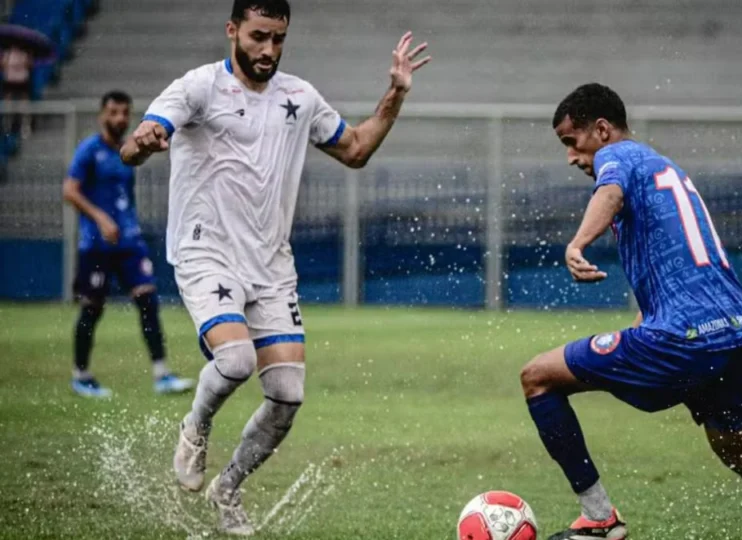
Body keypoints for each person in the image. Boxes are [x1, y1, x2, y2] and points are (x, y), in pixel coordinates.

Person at [120, 0, 430, 535]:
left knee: (287, 395)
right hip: (205, 252)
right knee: (236, 360)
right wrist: (144, 143)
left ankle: (229, 489)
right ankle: (195, 429)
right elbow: (136, 142)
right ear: (233, 30)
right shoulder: (197, 87)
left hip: (269, 265)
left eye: (278, 39)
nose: (268, 50)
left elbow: (355, 149)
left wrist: (396, 93)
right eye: (258, 36)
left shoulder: (299, 97)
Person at [519, 83, 742, 540]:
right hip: (736, 335)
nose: (571, 158)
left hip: (684, 340)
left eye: (571, 142)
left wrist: (577, 243)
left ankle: (599, 519)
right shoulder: (663, 168)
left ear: (601, 130)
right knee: (739, 453)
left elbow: (608, 194)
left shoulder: (621, 158)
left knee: (537, 376)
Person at [62, 90, 194, 398]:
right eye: (114, 112)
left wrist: (126, 222)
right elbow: (70, 190)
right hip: (96, 245)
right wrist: (100, 219)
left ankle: (162, 374)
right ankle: (81, 375)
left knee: (148, 301)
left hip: (128, 243)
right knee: (92, 308)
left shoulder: (126, 153)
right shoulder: (89, 150)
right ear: (102, 115)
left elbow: (125, 197)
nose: (120, 118)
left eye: (125, 112)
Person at [2, 44, 33, 139]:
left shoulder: (25, 54)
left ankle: (25, 127)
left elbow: (29, 65)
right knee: (8, 104)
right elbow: (3, 65)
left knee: (24, 104)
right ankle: (6, 126)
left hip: (22, 81)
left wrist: (27, 59)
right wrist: (6, 61)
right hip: (10, 81)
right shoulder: (7, 54)